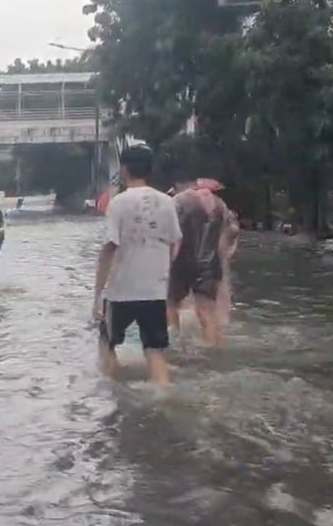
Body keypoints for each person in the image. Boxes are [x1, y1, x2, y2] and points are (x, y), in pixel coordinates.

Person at [92, 145, 182, 386]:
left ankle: (112, 396)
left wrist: (98, 293)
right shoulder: (167, 201)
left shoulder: (118, 203)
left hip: (121, 290)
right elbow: (175, 243)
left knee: (106, 343)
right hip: (154, 290)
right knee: (155, 351)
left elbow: (109, 248)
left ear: (124, 169)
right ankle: (164, 395)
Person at [168, 178, 239, 347]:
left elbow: (169, 232)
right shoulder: (220, 205)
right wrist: (226, 251)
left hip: (180, 261)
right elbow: (234, 230)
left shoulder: (179, 201)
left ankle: (173, 347)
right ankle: (213, 349)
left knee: (170, 305)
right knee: (206, 311)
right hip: (209, 264)